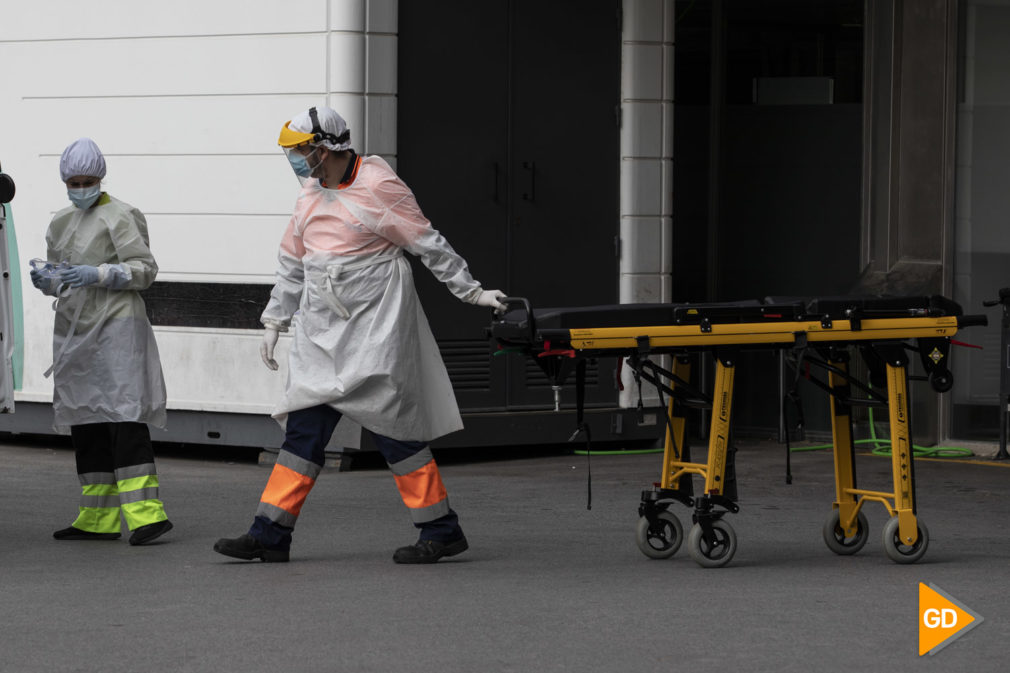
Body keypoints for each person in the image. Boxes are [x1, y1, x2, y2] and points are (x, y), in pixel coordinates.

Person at [213, 106, 504, 564]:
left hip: (375, 329)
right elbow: (294, 262)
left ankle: (441, 529)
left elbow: (427, 242)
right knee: (303, 433)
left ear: (325, 148)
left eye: (299, 150)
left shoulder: (378, 185)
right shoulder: (309, 195)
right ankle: (269, 533)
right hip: (321, 333)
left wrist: (471, 293)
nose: (294, 159)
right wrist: (274, 320)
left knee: (395, 430)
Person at [29, 138, 173, 546]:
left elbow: (144, 270)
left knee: (124, 417)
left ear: (100, 177)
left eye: (87, 180)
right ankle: (98, 517)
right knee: (86, 418)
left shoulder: (122, 216)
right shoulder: (60, 221)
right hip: (75, 329)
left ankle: (147, 515)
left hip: (116, 327)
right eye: (73, 181)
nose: (80, 188)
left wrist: (100, 274)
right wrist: (48, 281)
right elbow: (61, 274)